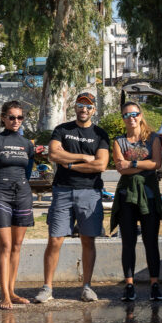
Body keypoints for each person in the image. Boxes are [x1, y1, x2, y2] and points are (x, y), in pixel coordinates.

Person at [34, 92, 110, 304]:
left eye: (88, 106)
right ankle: (47, 287)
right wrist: (83, 157)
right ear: (75, 108)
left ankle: (87, 287)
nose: (83, 109)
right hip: (63, 191)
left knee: (88, 240)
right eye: (80, 105)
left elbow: (101, 165)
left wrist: (69, 164)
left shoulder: (100, 134)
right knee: (55, 239)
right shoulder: (62, 130)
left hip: (90, 192)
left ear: (94, 109)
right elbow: (53, 154)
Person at [0, 101, 35, 309]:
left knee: (17, 246)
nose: (16, 121)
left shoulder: (27, 144)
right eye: (12, 117)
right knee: (5, 245)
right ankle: (4, 296)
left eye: (19, 118)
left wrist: (22, 188)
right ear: (3, 118)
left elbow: (28, 173)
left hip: (22, 194)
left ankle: (12, 291)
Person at [110, 102, 162, 302]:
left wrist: (132, 163)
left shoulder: (153, 138)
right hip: (127, 196)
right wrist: (144, 166)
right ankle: (129, 284)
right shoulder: (118, 141)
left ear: (141, 115)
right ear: (123, 118)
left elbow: (156, 163)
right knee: (128, 242)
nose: (130, 117)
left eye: (134, 114)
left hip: (149, 195)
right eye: (126, 114)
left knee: (151, 241)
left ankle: (155, 284)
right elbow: (120, 169)